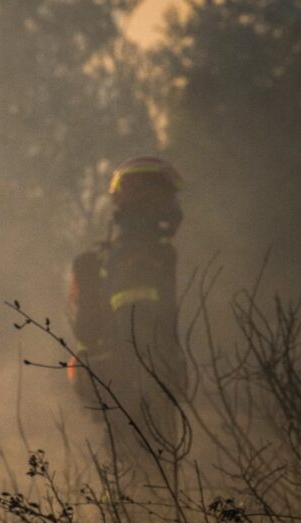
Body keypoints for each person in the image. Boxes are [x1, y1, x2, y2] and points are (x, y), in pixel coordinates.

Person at [68, 156, 187, 480]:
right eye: (164, 196)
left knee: (133, 483)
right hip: (139, 392)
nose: (172, 206)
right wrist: (159, 376)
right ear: (144, 197)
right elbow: (137, 330)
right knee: (150, 483)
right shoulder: (140, 254)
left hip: (122, 390)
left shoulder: (122, 252)